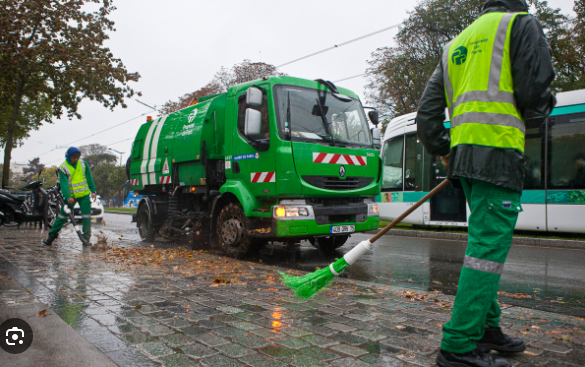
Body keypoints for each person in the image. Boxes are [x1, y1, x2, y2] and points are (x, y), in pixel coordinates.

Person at [416, 0, 556, 366]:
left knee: (482, 249)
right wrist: (544, 105)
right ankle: (458, 344)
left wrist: (447, 150)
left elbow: (427, 115)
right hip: (499, 157)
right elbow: (534, 91)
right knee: (486, 254)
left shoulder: (454, 46)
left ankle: (487, 328)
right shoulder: (521, 25)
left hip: (466, 164)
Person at [43, 147, 97, 246]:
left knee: (86, 217)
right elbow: (64, 185)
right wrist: (68, 197)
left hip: (84, 195)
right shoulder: (63, 168)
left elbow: (89, 178)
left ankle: (86, 239)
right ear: (68, 156)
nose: (75, 159)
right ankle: (51, 236)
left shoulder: (83, 164)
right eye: (73, 157)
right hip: (70, 197)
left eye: (77, 157)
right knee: (62, 216)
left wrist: (93, 190)